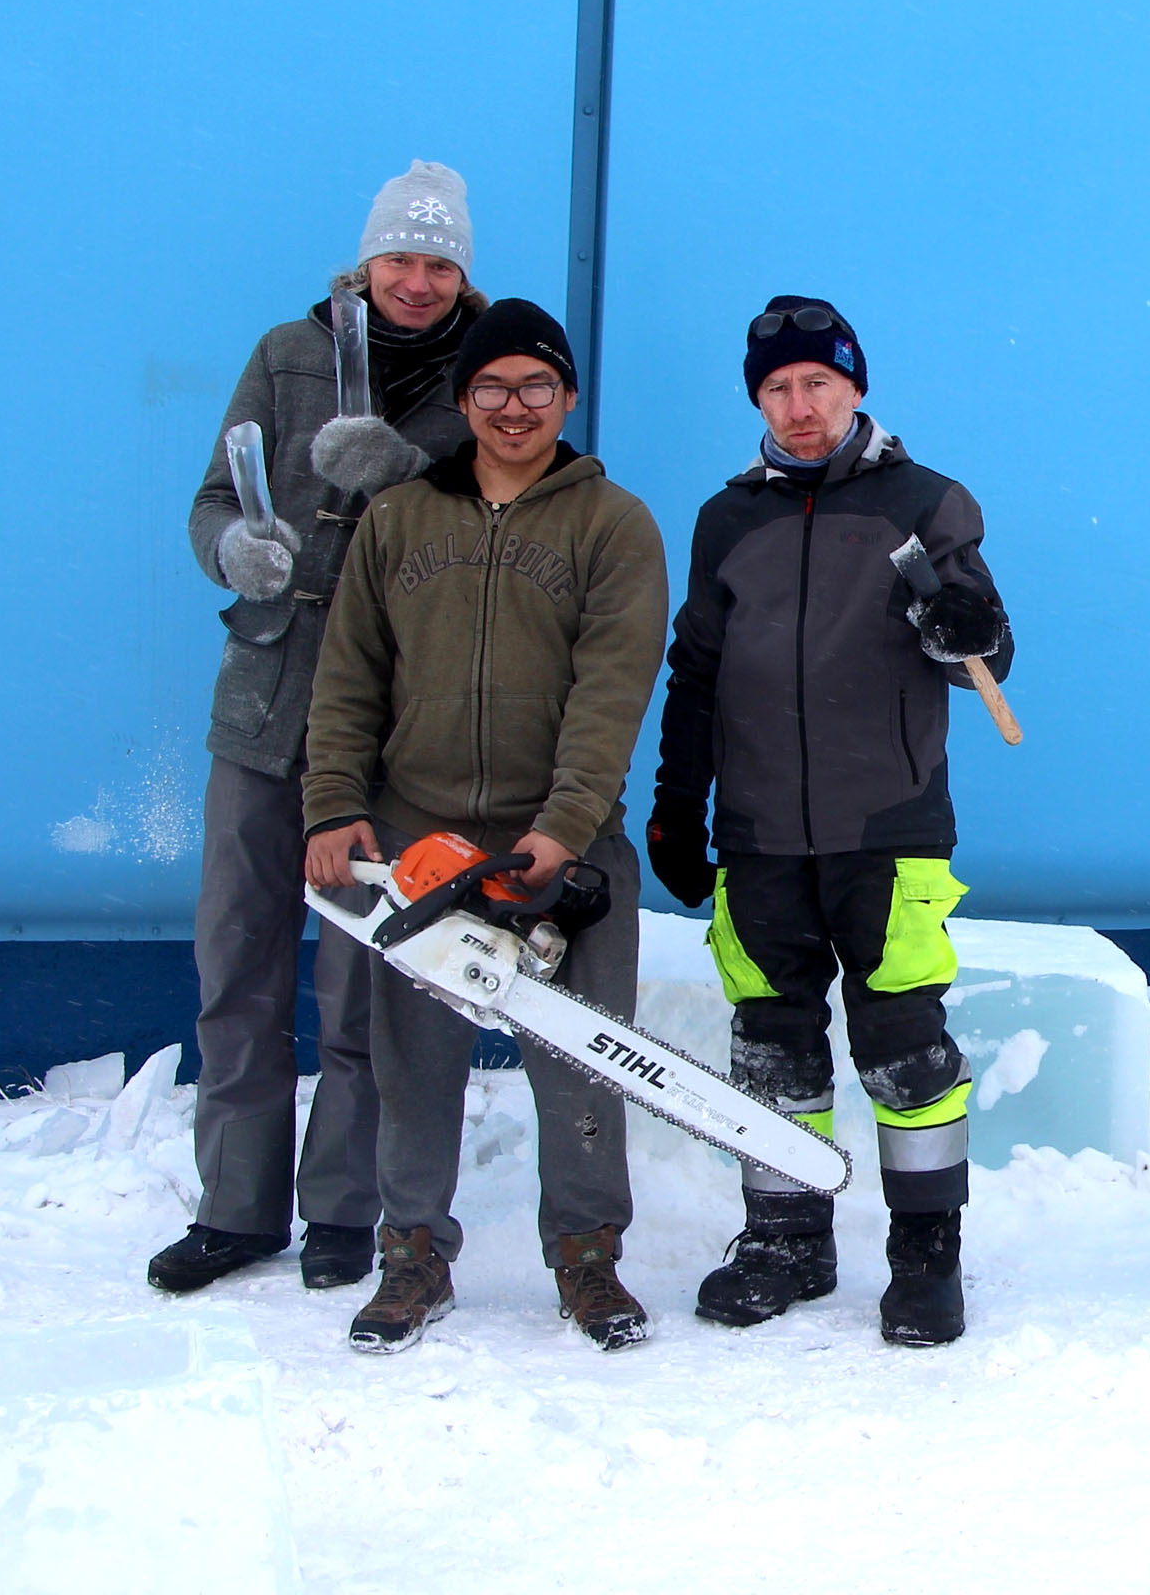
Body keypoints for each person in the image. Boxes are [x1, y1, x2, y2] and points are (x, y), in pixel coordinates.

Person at [302, 299, 669, 1354]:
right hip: (424, 846)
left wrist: (562, 828)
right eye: (494, 388)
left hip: (562, 843)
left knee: (582, 1062)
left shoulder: (613, 525)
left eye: (537, 387)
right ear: (463, 401)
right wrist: (335, 804)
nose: (515, 408)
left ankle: (587, 1255)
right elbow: (349, 680)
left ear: (568, 399)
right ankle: (412, 1249)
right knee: (410, 1058)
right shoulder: (398, 519)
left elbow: (612, 690)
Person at [647, 295, 1012, 1347]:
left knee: (904, 1047)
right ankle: (786, 1235)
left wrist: (964, 626)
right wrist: (678, 803)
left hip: (888, 826)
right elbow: (698, 672)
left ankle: (925, 1252)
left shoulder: (926, 502)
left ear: (855, 385)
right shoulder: (730, 518)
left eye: (818, 383)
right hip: (758, 830)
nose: (800, 406)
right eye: (777, 388)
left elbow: (988, 651)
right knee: (771, 1045)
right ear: (757, 398)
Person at [150, 160, 485, 1295]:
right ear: (367, 259)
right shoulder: (289, 357)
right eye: (402, 256)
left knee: (359, 975)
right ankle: (236, 1205)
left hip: (391, 727)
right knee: (237, 962)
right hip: (264, 704)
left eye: (440, 262)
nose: (419, 280)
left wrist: (407, 474)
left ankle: (342, 1205)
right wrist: (232, 550)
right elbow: (212, 499)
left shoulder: (481, 377)